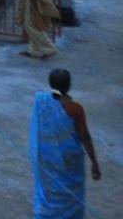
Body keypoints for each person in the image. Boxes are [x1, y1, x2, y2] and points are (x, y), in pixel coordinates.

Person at [32, 66, 101, 217]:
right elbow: (85, 137)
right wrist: (94, 162)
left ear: (50, 84)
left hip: (47, 158)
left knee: (49, 188)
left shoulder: (41, 101)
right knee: (70, 192)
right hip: (69, 159)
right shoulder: (75, 109)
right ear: (69, 86)